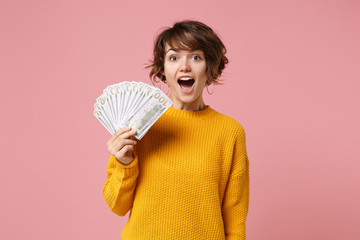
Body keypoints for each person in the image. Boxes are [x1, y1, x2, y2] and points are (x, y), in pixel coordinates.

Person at [103, 20, 250, 239]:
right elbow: (117, 206)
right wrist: (125, 164)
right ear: (163, 69)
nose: (184, 66)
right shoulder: (138, 124)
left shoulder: (230, 132)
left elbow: (235, 217)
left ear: (210, 68)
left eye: (196, 57)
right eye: (174, 57)